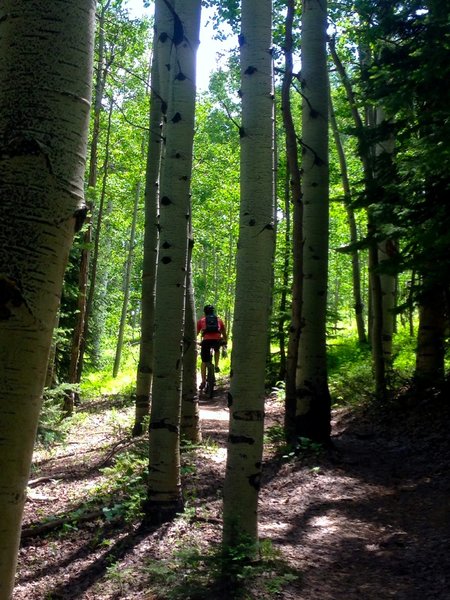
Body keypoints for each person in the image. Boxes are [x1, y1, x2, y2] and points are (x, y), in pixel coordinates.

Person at [196, 304, 227, 390]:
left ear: (205, 312)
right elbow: (224, 333)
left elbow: (196, 333)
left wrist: (196, 342)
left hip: (206, 342)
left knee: (204, 361)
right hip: (216, 340)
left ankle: (203, 381)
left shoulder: (201, 321)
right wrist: (225, 341)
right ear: (213, 312)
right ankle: (216, 366)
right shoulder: (219, 320)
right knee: (217, 350)